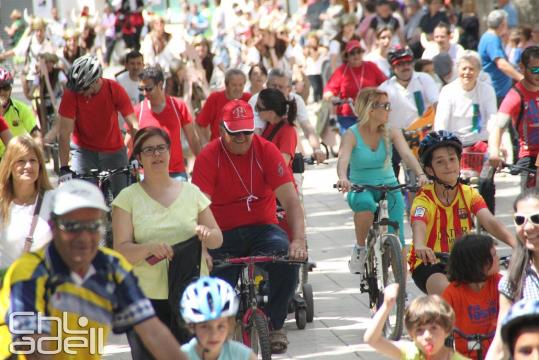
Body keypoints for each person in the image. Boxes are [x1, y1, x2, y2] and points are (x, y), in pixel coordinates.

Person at [0, 179, 188, 360]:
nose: (84, 237)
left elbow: (152, 331)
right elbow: (33, 345)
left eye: (92, 226)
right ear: (53, 226)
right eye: (72, 226)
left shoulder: (112, 267)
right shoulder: (28, 271)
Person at [191, 100, 306, 354]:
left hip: (263, 229)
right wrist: (203, 250)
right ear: (222, 130)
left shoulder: (266, 150)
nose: (243, 138)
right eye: (235, 133)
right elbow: (196, 209)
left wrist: (298, 239)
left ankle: (274, 323)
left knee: (287, 261)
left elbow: (290, 200)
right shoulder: (209, 156)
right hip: (221, 234)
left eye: (247, 131)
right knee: (215, 291)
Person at [112, 127, 222, 350]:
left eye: (161, 148)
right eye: (149, 150)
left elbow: (217, 238)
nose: (156, 155)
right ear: (139, 157)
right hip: (146, 302)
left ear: (170, 152)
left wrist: (207, 235)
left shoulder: (192, 193)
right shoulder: (127, 198)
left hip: (190, 295)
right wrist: (148, 248)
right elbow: (121, 251)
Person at [409, 131, 515, 296]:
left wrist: (517, 244)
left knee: (502, 291)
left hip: (463, 260)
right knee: (450, 294)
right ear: (430, 170)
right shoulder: (424, 198)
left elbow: (490, 221)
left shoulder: (468, 194)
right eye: (440, 162)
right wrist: (420, 245)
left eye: (452, 159)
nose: (448, 165)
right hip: (430, 264)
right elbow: (418, 224)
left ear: (459, 161)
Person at [335, 88, 427, 276]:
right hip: (361, 187)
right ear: (370, 109)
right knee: (366, 206)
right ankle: (360, 248)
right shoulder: (351, 134)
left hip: (389, 185)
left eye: (388, 105)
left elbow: (407, 155)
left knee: (398, 237)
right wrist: (343, 178)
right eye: (384, 106)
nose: (389, 110)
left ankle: (401, 290)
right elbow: (343, 159)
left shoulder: (392, 131)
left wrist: (420, 174)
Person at [57, 55, 138, 196]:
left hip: (114, 149)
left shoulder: (114, 90)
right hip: (84, 152)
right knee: (85, 199)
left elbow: (134, 126)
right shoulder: (72, 93)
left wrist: (136, 156)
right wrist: (64, 168)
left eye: (83, 90)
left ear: (94, 82)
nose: (80, 93)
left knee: (124, 198)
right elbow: (64, 133)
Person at [434, 51, 497, 212]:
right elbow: (441, 122)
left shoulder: (487, 90)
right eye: (464, 69)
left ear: (478, 71)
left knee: (487, 183)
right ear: (458, 69)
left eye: (471, 69)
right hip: (454, 144)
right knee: (452, 185)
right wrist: (442, 144)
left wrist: (496, 145)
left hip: (481, 142)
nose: (467, 73)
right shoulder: (448, 91)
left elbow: (492, 119)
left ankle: (487, 226)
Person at [485, 189, 539, 360]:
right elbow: (500, 343)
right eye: (520, 220)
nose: (528, 227)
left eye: (536, 219)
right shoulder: (513, 279)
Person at [364, 283, 467, 360]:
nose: (427, 336)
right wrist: (387, 305)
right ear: (411, 334)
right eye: (419, 330)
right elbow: (372, 340)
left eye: (433, 328)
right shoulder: (411, 354)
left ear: (447, 329)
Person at [379, 48, 439, 177]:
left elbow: (436, 104)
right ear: (393, 67)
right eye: (400, 64)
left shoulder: (424, 79)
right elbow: (379, 114)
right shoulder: (385, 88)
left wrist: (439, 128)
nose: (405, 67)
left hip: (424, 135)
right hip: (397, 138)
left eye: (407, 63)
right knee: (391, 176)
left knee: (429, 174)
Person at [134, 66, 201, 180]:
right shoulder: (138, 111)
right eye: (141, 89)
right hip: (147, 175)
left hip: (176, 173)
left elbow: (192, 138)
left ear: (160, 85)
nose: (144, 93)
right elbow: (130, 144)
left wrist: (201, 163)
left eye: (148, 88)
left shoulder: (178, 106)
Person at [442, 234, 501, 360]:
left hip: (500, 353)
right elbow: (439, 324)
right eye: (494, 255)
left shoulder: (500, 283)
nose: (498, 258)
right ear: (478, 264)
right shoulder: (452, 293)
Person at [488, 46, 539, 191]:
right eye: (535, 70)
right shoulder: (515, 96)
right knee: (529, 205)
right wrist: (493, 152)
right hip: (530, 158)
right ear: (522, 68)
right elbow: (498, 127)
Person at [0, 135, 53, 273]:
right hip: (7, 287)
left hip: (45, 284)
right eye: (21, 161)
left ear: (40, 165)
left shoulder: (55, 200)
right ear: (9, 165)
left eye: (33, 160)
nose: (28, 166)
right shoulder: (1, 204)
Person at [250, 68, 326, 164]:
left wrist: (317, 149)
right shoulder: (257, 101)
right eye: (274, 86)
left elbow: (307, 127)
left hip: (286, 150)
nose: (276, 90)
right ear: (267, 85)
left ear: (289, 89)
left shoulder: (296, 100)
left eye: (281, 87)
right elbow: (257, 132)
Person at [180, 277, 256, 360]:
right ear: (192, 326)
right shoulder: (179, 356)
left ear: (229, 325)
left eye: (221, 326)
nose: (214, 335)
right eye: (205, 326)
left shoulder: (244, 357)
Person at [324, 40, 387, 134]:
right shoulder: (341, 71)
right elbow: (328, 91)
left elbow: (386, 83)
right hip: (348, 114)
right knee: (351, 140)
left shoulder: (371, 66)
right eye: (352, 53)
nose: (356, 55)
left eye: (358, 52)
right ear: (347, 56)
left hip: (371, 111)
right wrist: (331, 96)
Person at [195, 69, 251, 146]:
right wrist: (205, 144)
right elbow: (199, 125)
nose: (237, 89)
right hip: (219, 148)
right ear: (226, 85)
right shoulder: (215, 98)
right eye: (234, 85)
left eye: (240, 85)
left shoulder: (248, 99)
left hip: (242, 147)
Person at [478, 9, 523, 103]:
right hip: (497, 92)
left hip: (499, 90)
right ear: (502, 24)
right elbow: (502, 64)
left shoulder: (491, 38)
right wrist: (521, 78)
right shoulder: (491, 40)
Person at [0, 67, 42, 158]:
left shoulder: (21, 109)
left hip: (14, 158)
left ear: (10, 89)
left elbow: (36, 135)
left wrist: (37, 157)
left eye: (5, 87)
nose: (2, 92)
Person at [258, 88, 298, 167]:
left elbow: (281, 165)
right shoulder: (268, 125)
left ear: (271, 113)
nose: (256, 111)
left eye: (259, 108)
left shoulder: (288, 131)